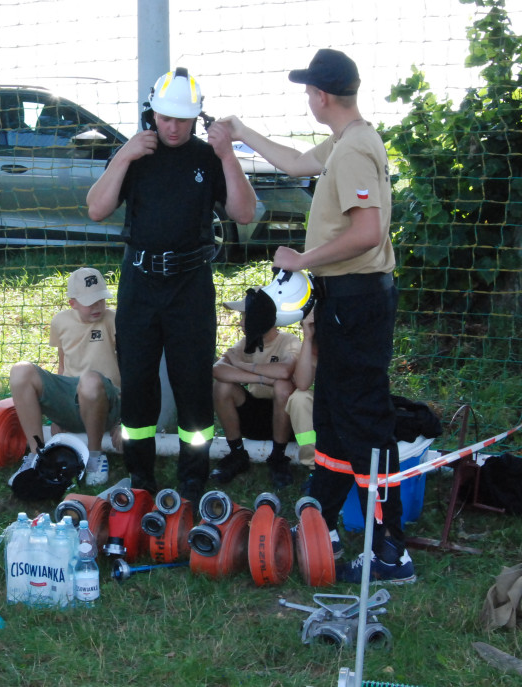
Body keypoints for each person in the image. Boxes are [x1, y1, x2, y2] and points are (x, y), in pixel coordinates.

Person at [218, 49, 413, 583]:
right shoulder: (350, 140)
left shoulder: (353, 151)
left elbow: (368, 231)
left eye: (308, 91)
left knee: (365, 423)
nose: (307, 98)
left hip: (357, 301)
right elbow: (296, 162)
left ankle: (390, 549)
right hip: (343, 301)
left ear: (322, 96)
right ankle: (319, 521)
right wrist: (240, 132)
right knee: (329, 413)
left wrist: (301, 260)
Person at [86, 67, 257, 501]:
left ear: (196, 117)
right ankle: (140, 475)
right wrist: (123, 156)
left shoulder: (206, 157)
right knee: (139, 383)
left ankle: (193, 474)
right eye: (165, 118)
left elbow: (244, 213)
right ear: (152, 114)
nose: (172, 127)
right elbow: (96, 209)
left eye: (182, 119)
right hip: (140, 283)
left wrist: (228, 156)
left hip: (190, 284)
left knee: (193, 384)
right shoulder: (135, 155)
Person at [9, 267, 121, 486]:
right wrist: (57, 416)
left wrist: (124, 421)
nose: (97, 306)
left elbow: (130, 367)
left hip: (107, 399)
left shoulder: (114, 319)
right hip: (72, 396)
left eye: (101, 299)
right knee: (20, 370)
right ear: (73, 303)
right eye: (90, 301)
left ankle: (95, 456)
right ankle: (37, 456)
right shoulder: (60, 322)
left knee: (89, 380)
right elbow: (62, 365)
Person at [211, 289, 301, 489]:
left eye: (244, 317)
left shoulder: (289, 341)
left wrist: (243, 365)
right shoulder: (246, 343)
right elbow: (218, 370)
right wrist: (262, 378)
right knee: (222, 386)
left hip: (286, 418)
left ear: (258, 319)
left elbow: (285, 370)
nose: (240, 322)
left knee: (283, 387)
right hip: (255, 416)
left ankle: (278, 458)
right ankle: (237, 455)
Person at [287, 309, 318, 491]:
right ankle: (317, 468)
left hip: (349, 406)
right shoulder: (311, 346)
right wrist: (308, 338)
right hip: (324, 408)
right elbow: (302, 383)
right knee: (299, 399)